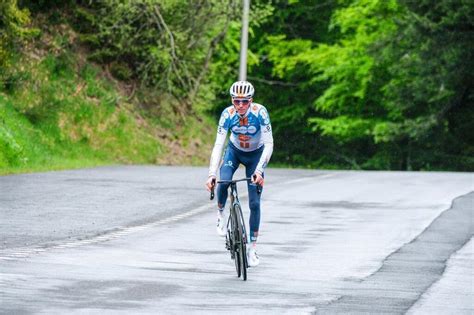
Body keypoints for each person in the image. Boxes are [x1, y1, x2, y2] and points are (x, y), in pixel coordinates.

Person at [205, 80, 273, 267]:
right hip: (234, 151)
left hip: (256, 155)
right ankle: (221, 213)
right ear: (232, 100)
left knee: (254, 203)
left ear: (251, 100)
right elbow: (219, 145)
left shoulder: (260, 113)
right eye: (237, 101)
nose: (241, 105)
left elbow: (269, 144)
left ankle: (252, 248)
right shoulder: (227, 114)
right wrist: (212, 174)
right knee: (224, 181)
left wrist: (259, 170)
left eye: (245, 101)